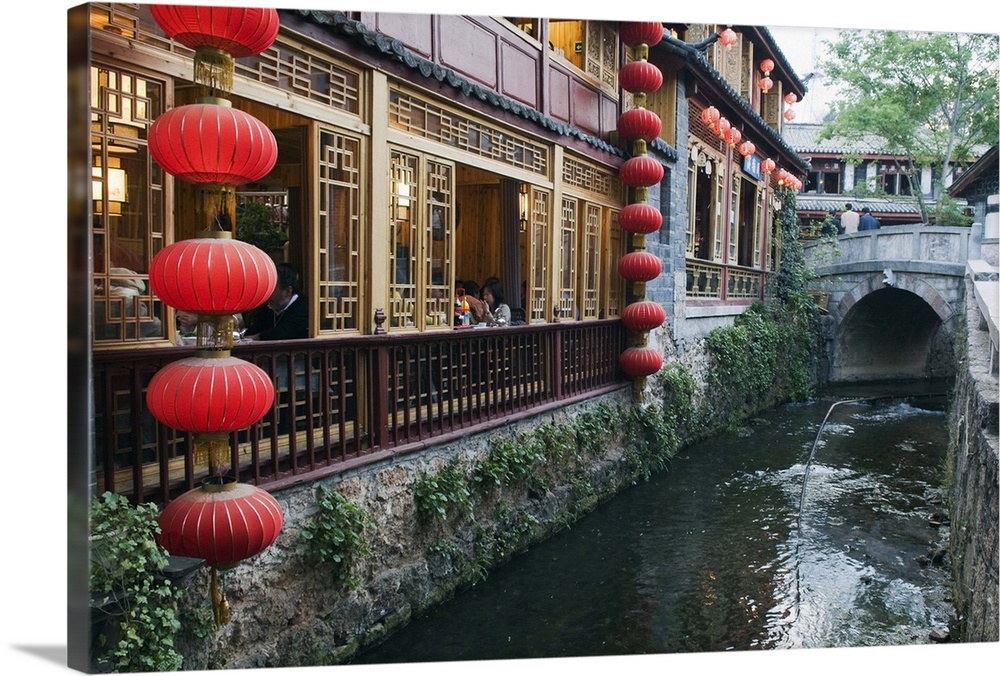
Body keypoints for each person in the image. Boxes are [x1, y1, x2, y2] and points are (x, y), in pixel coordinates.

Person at [244, 262, 309, 340]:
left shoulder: (304, 306)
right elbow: (255, 328)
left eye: (272, 289)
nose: (267, 294)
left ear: (288, 291)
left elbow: (284, 332)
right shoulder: (268, 304)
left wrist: (256, 337)